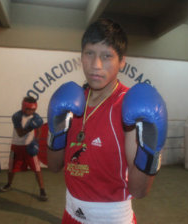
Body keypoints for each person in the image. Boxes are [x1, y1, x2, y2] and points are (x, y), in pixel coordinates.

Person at [47, 18, 167, 223]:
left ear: (122, 61)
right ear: (81, 56)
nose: (96, 65)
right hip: (70, 214)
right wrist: (56, 132)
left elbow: (138, 191)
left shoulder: (127, 107)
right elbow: (54, 166)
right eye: (89, 54)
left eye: (107, 56)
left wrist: (150, 151)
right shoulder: (73, 101)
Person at [0, 96, 48, 201]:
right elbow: (20, 133)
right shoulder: (16, 116)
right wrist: (31, 127)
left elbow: (39, 131)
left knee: (37, 169)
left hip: (29, 145)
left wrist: (36, 142)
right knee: (11, 167)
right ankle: (9, 184)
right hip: (16, 146)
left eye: (33, 109)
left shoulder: (37, 118)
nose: (31, 111)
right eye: (29, 109)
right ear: (24, 107)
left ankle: (42, 190)